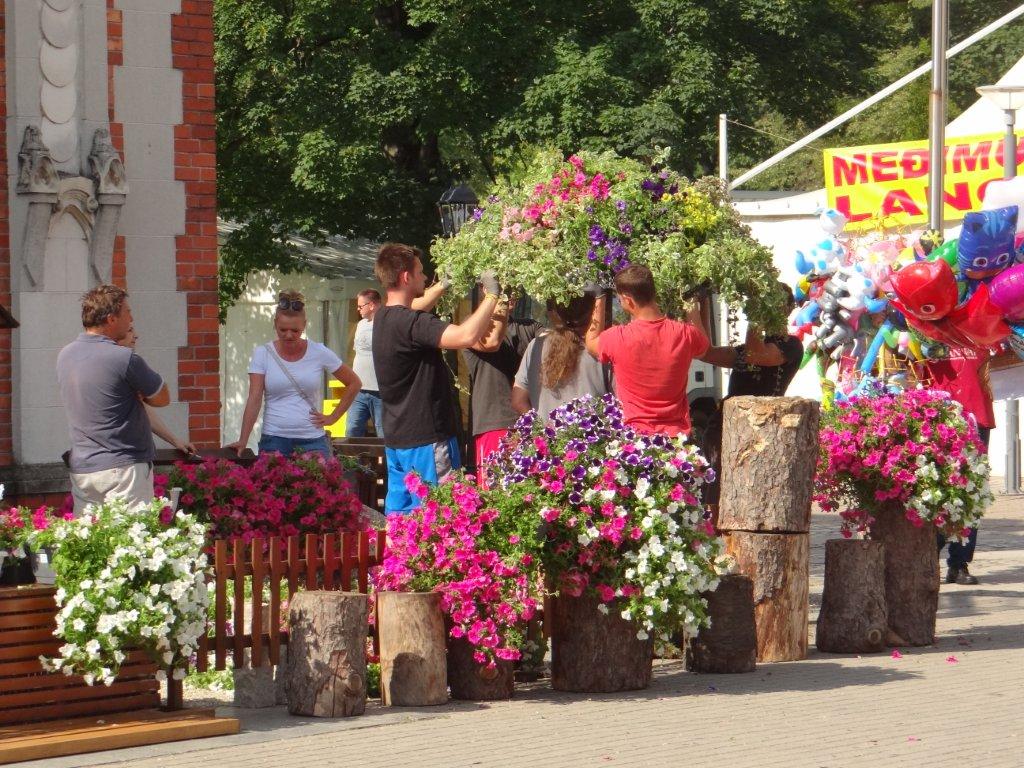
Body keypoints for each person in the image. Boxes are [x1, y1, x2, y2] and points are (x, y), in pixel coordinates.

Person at [371, 242, 503, 514]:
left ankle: (400, 558)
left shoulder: (383, 317)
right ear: (406, 277)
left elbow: (414, 305)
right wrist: (491, 296)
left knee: (401, 518)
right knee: (440, 516)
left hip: (397, 440)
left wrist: (443, 285)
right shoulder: (412, 324)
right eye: (420, 273)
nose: (424, 277)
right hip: (427, 439)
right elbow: (466, 336)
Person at [56, 284, 170, 513]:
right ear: (111, 319)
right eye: (127, 312)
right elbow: (161, 398)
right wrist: (137, 392)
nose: (131, 318)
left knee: (90, 545)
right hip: (124, 468)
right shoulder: (124, 358)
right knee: (130, 544)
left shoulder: (65, 355)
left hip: (84, 469)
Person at [229, 289, 361, 459]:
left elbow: (354, 383)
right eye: (283, 330)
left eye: (295, 330)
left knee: (318, 484)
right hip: (274, 437)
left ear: (304, 325)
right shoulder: (263, 353)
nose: (289, 335)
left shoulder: (319, 351)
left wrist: (334, 417)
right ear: (275, 323)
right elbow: (254, 398)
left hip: (312, 439)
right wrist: (243, 439)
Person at [585, 265, 709, 436]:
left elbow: (590, 343)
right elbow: (704, 346)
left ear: (628, 300)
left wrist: (599, 298)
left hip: (637, 440)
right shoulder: (684, 334)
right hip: (677, 439)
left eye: (620, 300)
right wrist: (692, 300)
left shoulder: (617, 338)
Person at [925, 347, 995, 585]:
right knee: (933, 491)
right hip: (935, 416)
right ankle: (927, 558)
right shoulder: (923, 325)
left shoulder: (981, 322)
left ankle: (959, 563)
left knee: (971, 493)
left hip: (976, 416)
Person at [465, 294, 539, 473]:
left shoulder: (530, 326)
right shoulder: (472, 325)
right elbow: (492, 342)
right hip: (494, 422)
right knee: (495, 493)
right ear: (485, 289)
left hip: (528, 423)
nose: (511, 294)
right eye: (505, 288)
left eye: (515, 288)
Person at [512, 295, 610, 421]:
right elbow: (621, 401)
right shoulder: (603, 346)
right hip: (594, 437)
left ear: (555, 313)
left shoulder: (537, 345)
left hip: (548, 437)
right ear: (592, 313)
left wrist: (541, 428)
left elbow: (518, 401)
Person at [120, 326, 197, 456]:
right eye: (130, 330)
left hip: (135, 460)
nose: (136, 335)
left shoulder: (128, 365)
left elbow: (143, 408)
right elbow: (162, 398)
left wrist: (174, 440)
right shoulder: (125, 362)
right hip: (122, 461)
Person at [346, 289, 385, 439]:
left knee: (383, 435)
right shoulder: (361, 324)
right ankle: (354, 463)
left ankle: (388, 463)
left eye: (361, 306)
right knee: (352, 430)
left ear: (372, 305)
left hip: (380, 390)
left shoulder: (385, 324)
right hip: (358, 389)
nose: (358, 309)